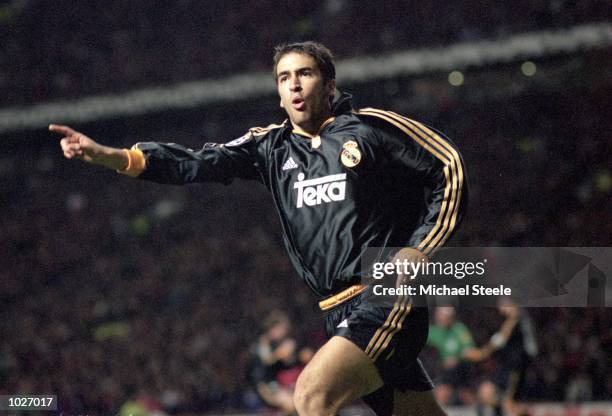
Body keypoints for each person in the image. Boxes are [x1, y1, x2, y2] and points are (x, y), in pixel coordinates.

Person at [51, 41, 467, 415]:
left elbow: (447, 166)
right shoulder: (270, 146)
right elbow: (196, 162)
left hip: (386, 291)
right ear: (279, 94)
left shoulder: (370, 128)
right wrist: (111, 156)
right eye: (284, 78)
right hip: (334, 308)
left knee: (310, 395)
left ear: (330, 85)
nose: (295, 85)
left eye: (305, 73)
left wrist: (420, 248)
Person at [427, 307, 519, 405]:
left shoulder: (459, 330)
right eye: (439, 316)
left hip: (467, 369)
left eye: (445, 317)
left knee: (484, 395)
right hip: (450, 373)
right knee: (440, 395)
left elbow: (472, 353)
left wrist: (458, 357)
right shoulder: (435, 331)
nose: (441, 319)